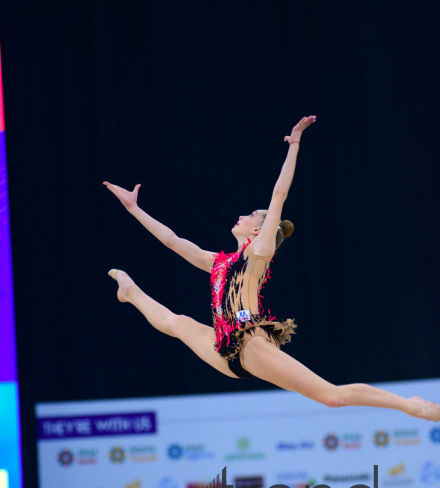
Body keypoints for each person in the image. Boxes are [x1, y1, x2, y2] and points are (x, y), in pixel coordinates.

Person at [104, 116, 440, 422]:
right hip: (224, 350)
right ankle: (130, 292)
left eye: (252, 215)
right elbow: (172, 241)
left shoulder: (258, 254)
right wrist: (134, 209)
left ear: (258, 231)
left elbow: (279, 193)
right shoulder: (219, 262)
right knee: (176, 323)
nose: (244, 216)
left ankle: (411, 405)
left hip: (250, 344)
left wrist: (294, 144)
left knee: (331, 396)